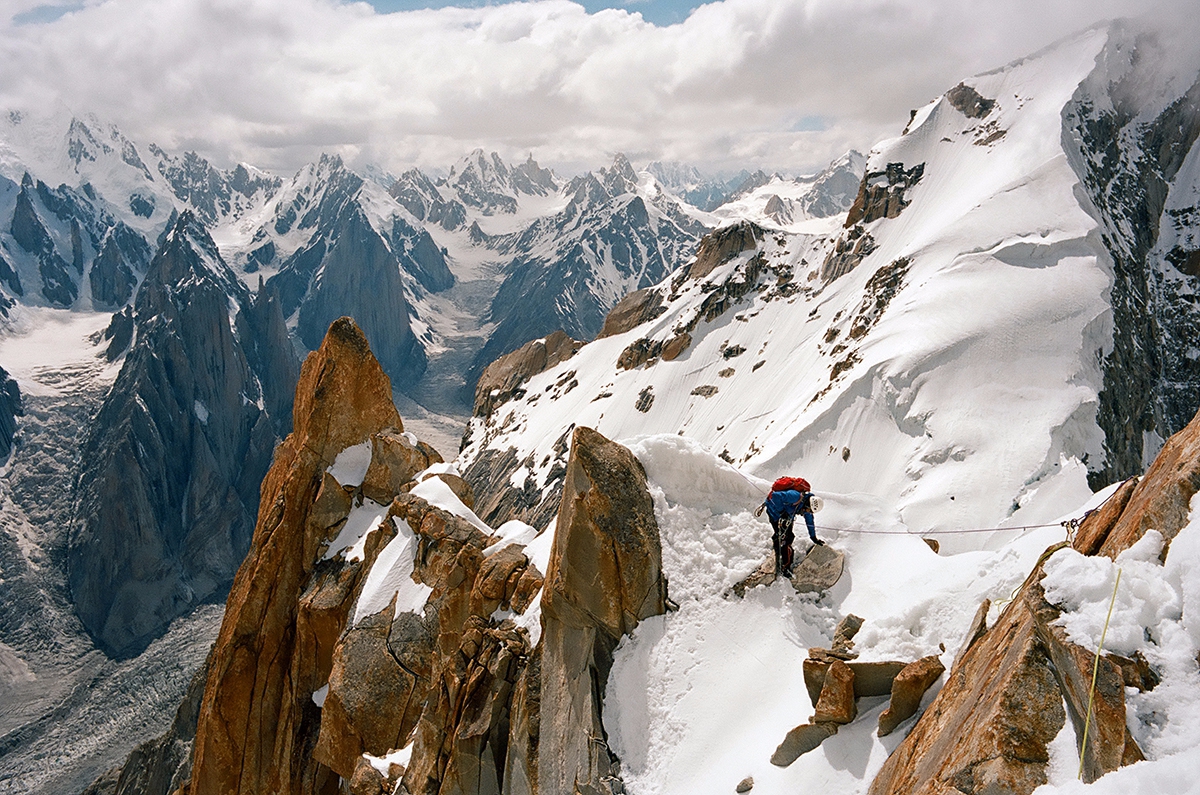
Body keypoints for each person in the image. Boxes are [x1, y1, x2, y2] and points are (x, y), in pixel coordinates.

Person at [763, 486, 821, 577]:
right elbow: (775, 496)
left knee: (788, 537)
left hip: (787, 516)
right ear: (808, 504)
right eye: (808, 510)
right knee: (783, 537)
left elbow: (809, 522)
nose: (807, 512)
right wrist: (782, 512)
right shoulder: (795, 496)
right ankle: (782, 564)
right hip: (774, 512)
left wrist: (813, 537)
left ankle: (784, 562)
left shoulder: (806, 507)